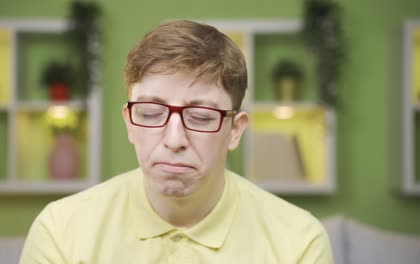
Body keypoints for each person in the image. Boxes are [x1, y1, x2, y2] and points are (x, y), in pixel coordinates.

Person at [20, 20, 333, 264]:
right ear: (130, 123)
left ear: (234, 130)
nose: (173, 139)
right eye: (151, 112)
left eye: (200, 116)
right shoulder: (60, 230)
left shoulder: (299, 242)